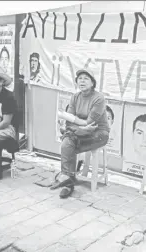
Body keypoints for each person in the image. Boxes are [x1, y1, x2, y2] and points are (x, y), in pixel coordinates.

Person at [53, 68, 110, 199]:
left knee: (68, 143)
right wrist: (79, 126)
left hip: (99, 133)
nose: (82, 81)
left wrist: (77, 125)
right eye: (80, 79)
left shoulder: (98, 98)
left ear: (92, 83)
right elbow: (70, 119)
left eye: (86, 78)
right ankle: (68, 181)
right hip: (80, 132)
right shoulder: (75, 97)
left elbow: (90, 123)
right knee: (68, 143)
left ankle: (68, 178)